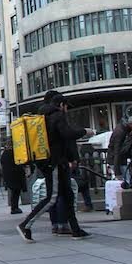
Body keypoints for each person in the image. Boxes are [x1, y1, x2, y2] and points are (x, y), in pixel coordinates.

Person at [17, 91, 92, 243]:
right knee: (51, 197)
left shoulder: (43, 115)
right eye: (66, 106)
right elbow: (67, 134)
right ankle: (25, 225)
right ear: (61, 105)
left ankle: (76, 230)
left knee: (68, 195)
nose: (66, 109)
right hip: (56, 162)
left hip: (50, 161)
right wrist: (85, 131)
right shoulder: (57, 115)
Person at [107, 115, 132, 180]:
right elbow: (117, 151)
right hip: (117, 161)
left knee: (126, 180)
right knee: (126, 180)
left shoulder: (124, 129)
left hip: (118, 160)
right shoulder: (121, 132)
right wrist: (117, 172)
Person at [0, 145, 26, 214]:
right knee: (16, 193)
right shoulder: (13, 154)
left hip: (9, 176)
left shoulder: (4, 154)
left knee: (14, 192)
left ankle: (14, 207)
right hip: (15, 176)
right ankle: (14, 208)